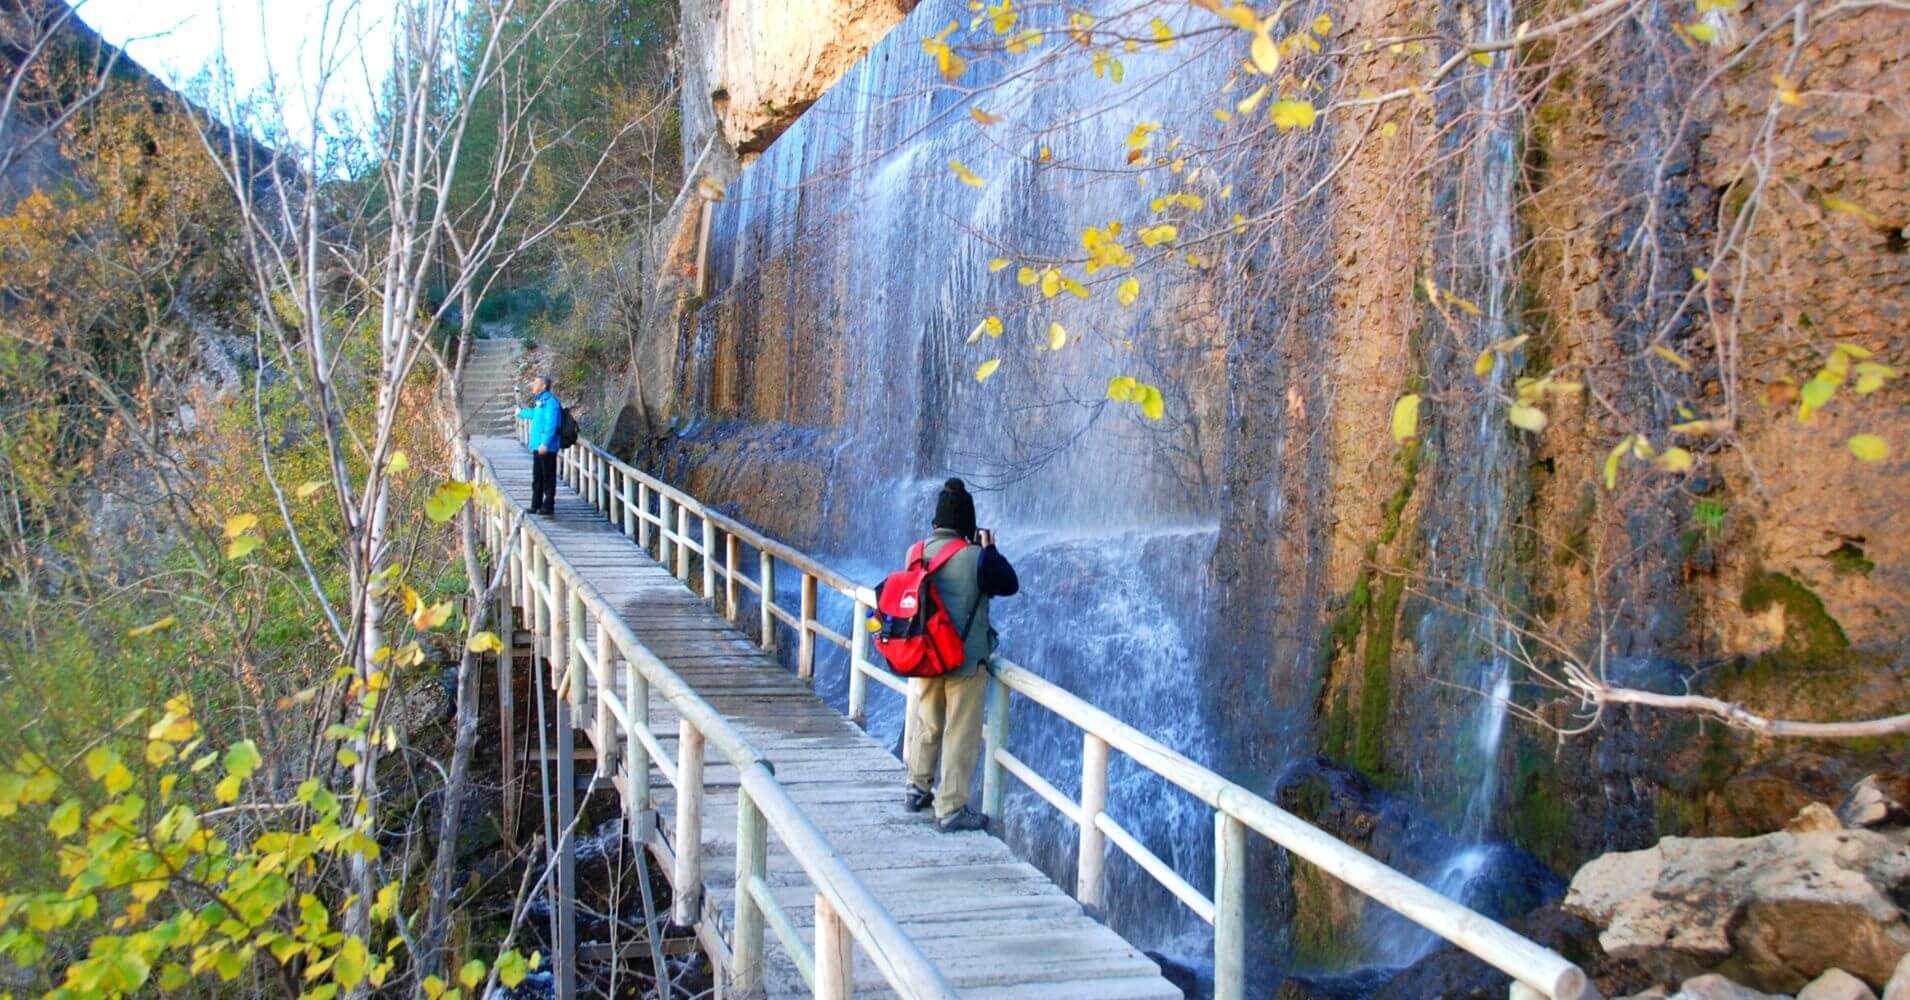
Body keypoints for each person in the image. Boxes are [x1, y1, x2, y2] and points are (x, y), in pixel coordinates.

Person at [904, 478, 1019, 833]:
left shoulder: (916, 551)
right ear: (968, 524)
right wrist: (990, 548)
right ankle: (951, 807)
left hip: (925, 655)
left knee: (928, 721)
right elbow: (1009, 583)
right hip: (964, 661)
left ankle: (917, 788)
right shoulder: (976, 558)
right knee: (960, 732)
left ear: (937, 522)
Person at [518, 374, 561, 516]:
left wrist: (545, 443)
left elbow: (551, 424)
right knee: (537, 476)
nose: (532, 385)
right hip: (538, 445)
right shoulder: (541, 401)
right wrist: (521, 413)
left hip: (546, 446)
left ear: (543, 386)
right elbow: (534, 415)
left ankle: (548, 506)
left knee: (548, 476)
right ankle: (535, 505)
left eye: (535, 383)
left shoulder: (551, 403)